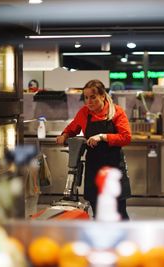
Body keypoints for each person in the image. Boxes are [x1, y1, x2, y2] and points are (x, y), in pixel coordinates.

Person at [56, 79, 131, 219]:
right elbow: (72, 128)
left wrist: (102, 137)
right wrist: (64, 135)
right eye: (86, 98)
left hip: (113, 167)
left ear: (102, 96)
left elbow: (126, 137)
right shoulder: (84, 113)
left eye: (93, 97)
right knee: (98, 210)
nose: (89, 101)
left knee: (119, 211)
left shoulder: (116, 112)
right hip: (94, 168)